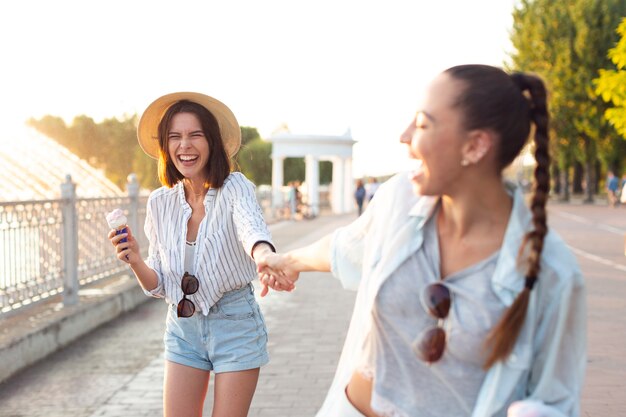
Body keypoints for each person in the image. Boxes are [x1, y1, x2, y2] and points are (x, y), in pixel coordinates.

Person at [258, 65, 586, 417]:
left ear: (475, 146)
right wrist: (288, 262)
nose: (404, 136)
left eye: (423, 123)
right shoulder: (399, 198)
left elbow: (553, 402)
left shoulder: (552, 272)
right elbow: (347, 247)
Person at [108, 92, 276, 417]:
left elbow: (251, 226)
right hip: (183, 328)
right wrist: (135, 261)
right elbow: (159, 284)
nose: (185, 145)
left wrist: (264, 254)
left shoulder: (235, 188)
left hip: (235, 323)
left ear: (211, 141)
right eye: (175, 136)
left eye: (195, 135)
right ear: (166, 147)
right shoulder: (160, 203)